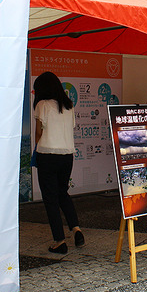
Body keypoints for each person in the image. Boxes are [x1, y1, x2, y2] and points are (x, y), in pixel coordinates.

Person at [33, 71, 85, 254]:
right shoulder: (68, 105)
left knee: (50, 198)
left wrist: (36, 147)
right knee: (63, 193)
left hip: (47, 154)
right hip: (67, 155)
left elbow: (39, 132)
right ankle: (76, 229)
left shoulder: (42, 105)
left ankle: (59, 241)